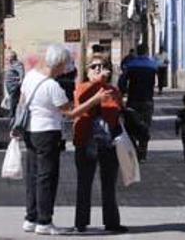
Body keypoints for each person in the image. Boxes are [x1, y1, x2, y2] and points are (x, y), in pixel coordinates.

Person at [18, 44, 113, 235]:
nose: (66, 69)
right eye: (65, 65)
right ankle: (44, 221)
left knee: (33, 176)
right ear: (59, 64)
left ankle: (31, 217)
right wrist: (95, 100)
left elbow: (22, 100)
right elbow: (70, 112)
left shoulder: (30, 77)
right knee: (47, 177)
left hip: (30, 131)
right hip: (47, 133)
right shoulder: (52, 86)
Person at [72, 54, 128, 234]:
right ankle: (81, 223)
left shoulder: (113, 91)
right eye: (93, 66)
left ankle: (111, 222)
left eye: (101, 66)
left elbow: (116, 110)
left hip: (108, 143)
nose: (97, 69)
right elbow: (82, 102)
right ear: (86, 71)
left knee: (109, 184)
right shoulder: (82, 88)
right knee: (84, 183)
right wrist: (99, 84)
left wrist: (105, 88)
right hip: (85, 141)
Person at [118, 43, 158, 161]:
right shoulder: (153, 66)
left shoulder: (130, 65)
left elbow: (122, 82)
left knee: (130, 126)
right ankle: (143, 153)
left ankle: (134, 150)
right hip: (147, 100)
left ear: (137, 52)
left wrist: (124, 92)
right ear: (147, 52)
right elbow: (157, 81)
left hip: (133, 100)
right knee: (145, 126)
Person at [3, 50, 25, 119]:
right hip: (10, 86)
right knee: (11, 100)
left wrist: (20, 81)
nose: (7, 60)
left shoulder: (17, 64)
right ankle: (12, 114)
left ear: (12, 58)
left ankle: (12, 114)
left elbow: (21, 73)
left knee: (13, 100)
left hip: (14, 86)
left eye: (8, 58)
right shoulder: (11, 65)